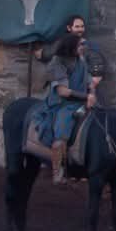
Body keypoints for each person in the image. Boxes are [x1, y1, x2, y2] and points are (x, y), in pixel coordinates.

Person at [36, 24, 98, 183]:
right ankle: (58, 171)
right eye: (80, 45)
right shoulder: (57, 63)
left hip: (81, 102)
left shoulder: (80, 60)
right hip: (63, 105)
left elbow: (89, 81)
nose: (83, 47)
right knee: (61, 134)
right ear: (70, 47)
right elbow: (63, 91)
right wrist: (86, 96)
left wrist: (91, 94)